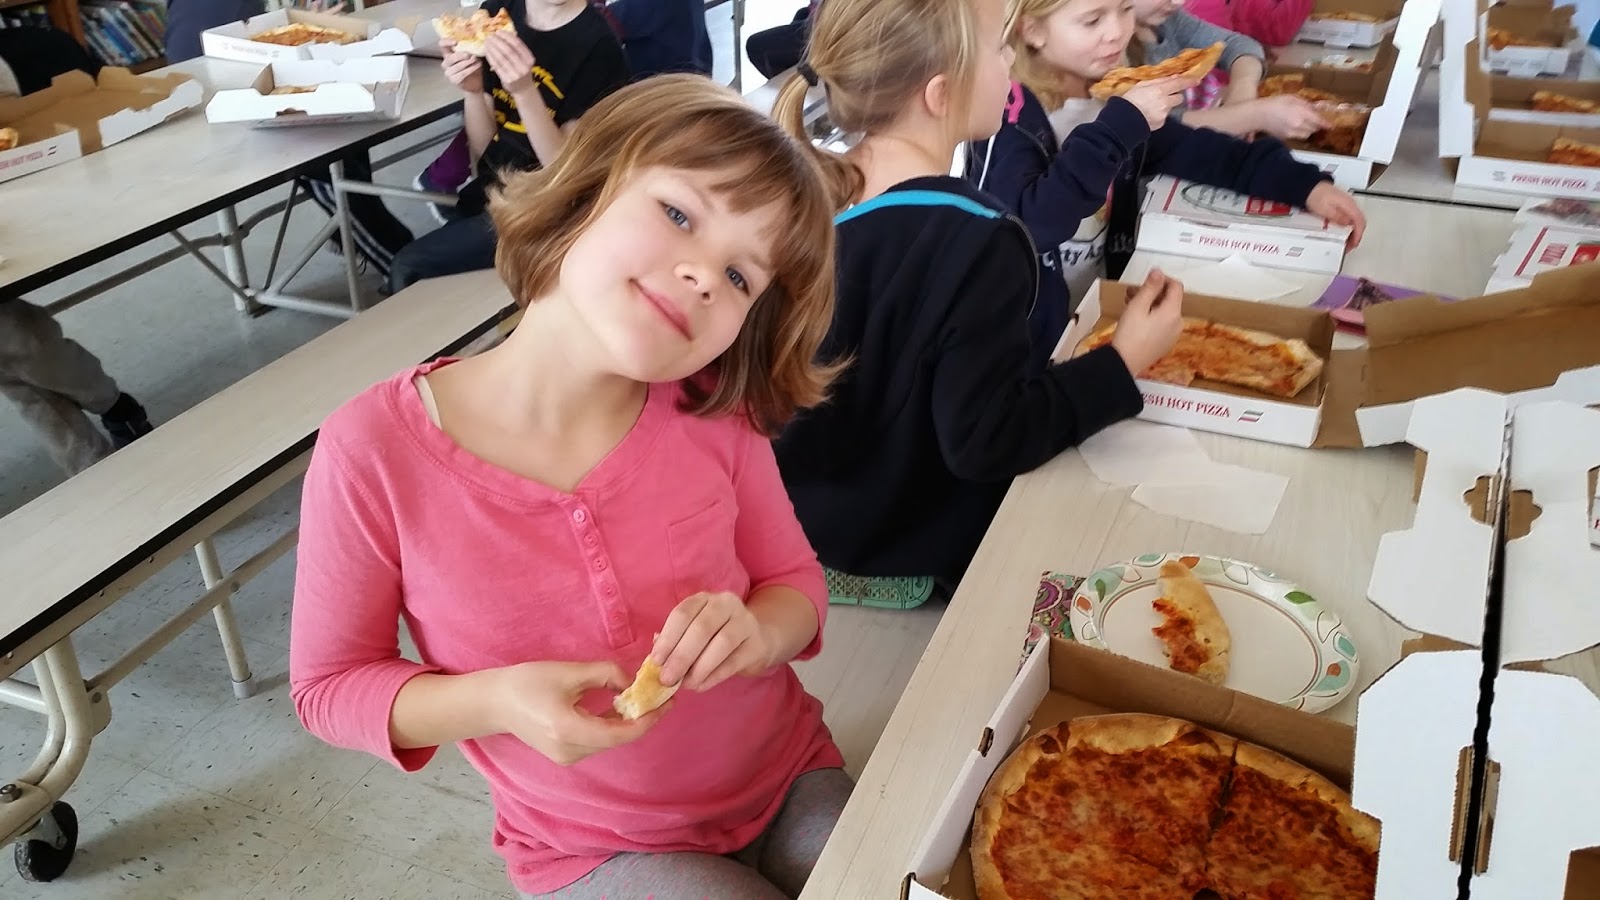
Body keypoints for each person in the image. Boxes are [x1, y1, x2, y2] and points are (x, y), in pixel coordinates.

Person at [291, 75, 849, 900]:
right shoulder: (372, 450)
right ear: (584, 189)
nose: (704, 275)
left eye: (740, 278)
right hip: (592, 845)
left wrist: (760, 633)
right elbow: (328, 688)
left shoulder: (714, 413)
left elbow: (795, 584)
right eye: (679, 214)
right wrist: (493, 702)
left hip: (787, 776)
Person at [769, 0, 1185, 609]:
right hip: (915, 553)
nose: (1011, 59)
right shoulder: (979, 238)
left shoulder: (805, 197)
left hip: (808, 532)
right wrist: (1120, 363)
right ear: (940, 94)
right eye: (998, 48)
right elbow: (989, 440)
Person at [967, 0, 1366, 358]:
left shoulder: (1110, 95)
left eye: (1125, 8)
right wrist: (1116, 131)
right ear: (1033, 30)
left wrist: (1305, 185)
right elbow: (1028, 227)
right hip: (1028, 344)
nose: (1117, 31)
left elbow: (1203, 152)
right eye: (1092, 20)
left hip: (1097, 313)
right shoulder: (1004, 116)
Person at [386, 0, 630, 294]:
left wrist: (524, 91)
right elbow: (484, 152)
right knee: (417, 267)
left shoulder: (600, 46)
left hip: (547, 212)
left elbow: (564, 172)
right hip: (494, 195)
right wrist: (474, 91)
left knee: (408, 267)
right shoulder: (496, 14)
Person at [165, 0, 416, 280]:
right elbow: (205, 54)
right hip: (226, 100)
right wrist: (299, 38)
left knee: (348, 129)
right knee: (327, 161)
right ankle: (403, 264)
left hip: (249, 76)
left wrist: (303, 31)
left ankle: (354, 234)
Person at [1128, 0, 1325, 138]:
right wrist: (1253, 115)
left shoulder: (1169, 21)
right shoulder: (1116, 52)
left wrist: (1242, 93)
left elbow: (1238, 45)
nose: (1179, 2)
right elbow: (1156, 129)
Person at [745, 0, 820, 80]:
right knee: (802, 14)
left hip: (823, 26)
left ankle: (799, 83)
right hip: (816, 18)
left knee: (755, 46)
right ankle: (799, 78)